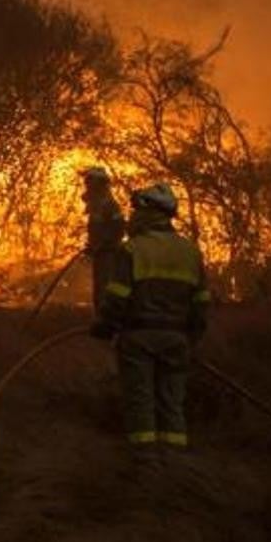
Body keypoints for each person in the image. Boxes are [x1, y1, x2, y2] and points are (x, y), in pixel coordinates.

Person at [90, 183, 210, 468]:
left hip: (139, 338)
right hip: (177, 339)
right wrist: (191, 338)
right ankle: (176, 464)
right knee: (172, 400)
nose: (132, 217)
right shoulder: (190, 251)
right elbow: (201, 302)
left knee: (140, 399)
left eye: (137, 211)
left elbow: (117, 296)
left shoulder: (133, 249)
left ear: (149, 213)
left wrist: (104, 326)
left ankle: (146, 464)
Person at [81, 167, 125, 314]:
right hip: (100, 254)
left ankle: (108, 320)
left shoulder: (110, 205)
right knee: (100, 287)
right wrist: (92, 245)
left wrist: (104, 244)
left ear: (100, 184)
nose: (88, 187)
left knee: (106, 287)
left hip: (109, 254)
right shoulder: (96, 205)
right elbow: (96, 230)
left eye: (90, 183)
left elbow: (119, 229)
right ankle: (101, 318)